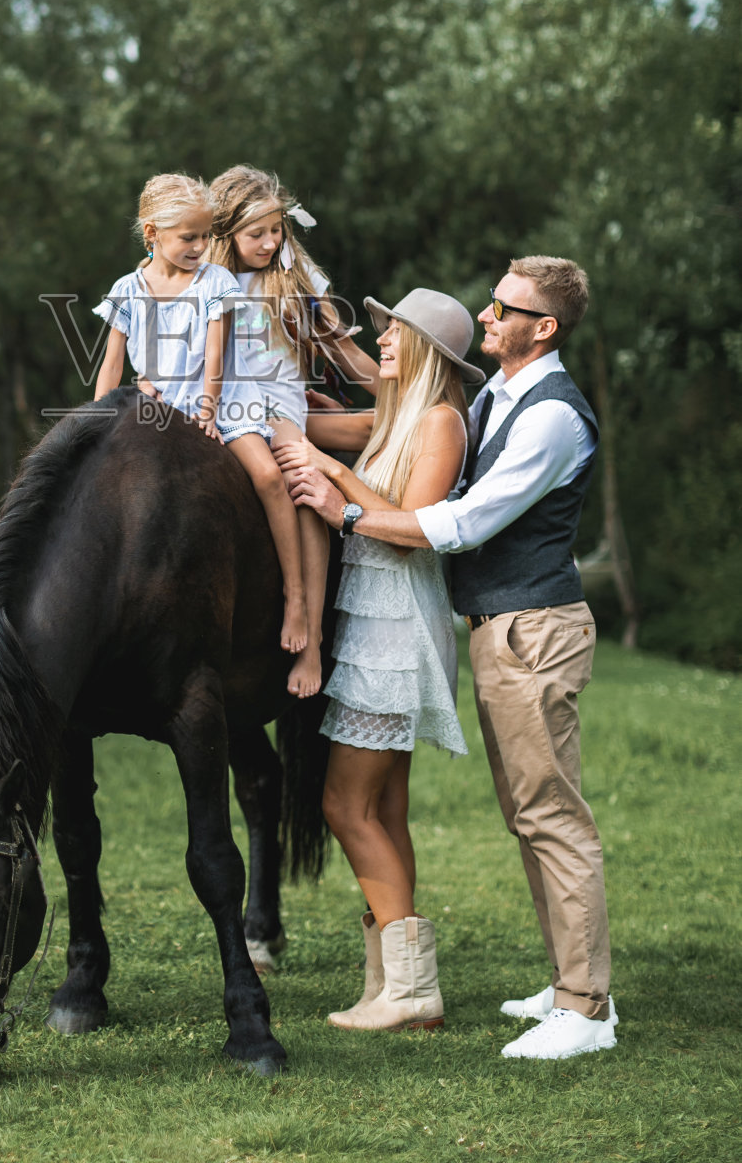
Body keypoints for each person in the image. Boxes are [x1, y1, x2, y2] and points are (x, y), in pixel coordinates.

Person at [280, 257, 616, 1061]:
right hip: (500, 628)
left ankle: (585, 1008)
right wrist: (322, 338)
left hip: (533, 627)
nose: (488, 315)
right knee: (527, 815)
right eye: (492, 304)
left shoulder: (551, 417)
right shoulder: (500, 395)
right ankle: (563, 985)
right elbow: (398, 388)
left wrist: (342, 504)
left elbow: (457, 525)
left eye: (505, 309)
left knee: (550, 818)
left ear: (544, 328)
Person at [274, 288, 484, 1031]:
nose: (382, 342)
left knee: (344, 804)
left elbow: (408, 527)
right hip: (377, 620)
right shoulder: (396, 416)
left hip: (395, 626)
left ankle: (413, 988)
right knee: (384, 808)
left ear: (424, 350)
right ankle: (394, 987)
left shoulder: (440, 422)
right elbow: (301, 423)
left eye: (394, 333)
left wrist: (331, 479)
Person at [93, 171, 310, 661]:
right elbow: (111, 364)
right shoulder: (127, 289)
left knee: (269, 477)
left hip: (225, 399)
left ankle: (295, 596)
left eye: (206, 236)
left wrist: (209, 411)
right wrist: (98, 419)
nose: (200, 247)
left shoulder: (215, 281)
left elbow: (215, 354)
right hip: (162, 402)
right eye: (189, 237)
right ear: (153, 234)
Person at [208, 166, 380, 697]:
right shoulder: (206, 278)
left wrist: (405, 396)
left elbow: (344, 351)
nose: (269, 242)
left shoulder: (294, 275)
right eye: (255, 233)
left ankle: (310, 633)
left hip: (281, 402)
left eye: (276, 230)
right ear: (227, 233)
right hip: (227, 401)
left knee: (304, 484)